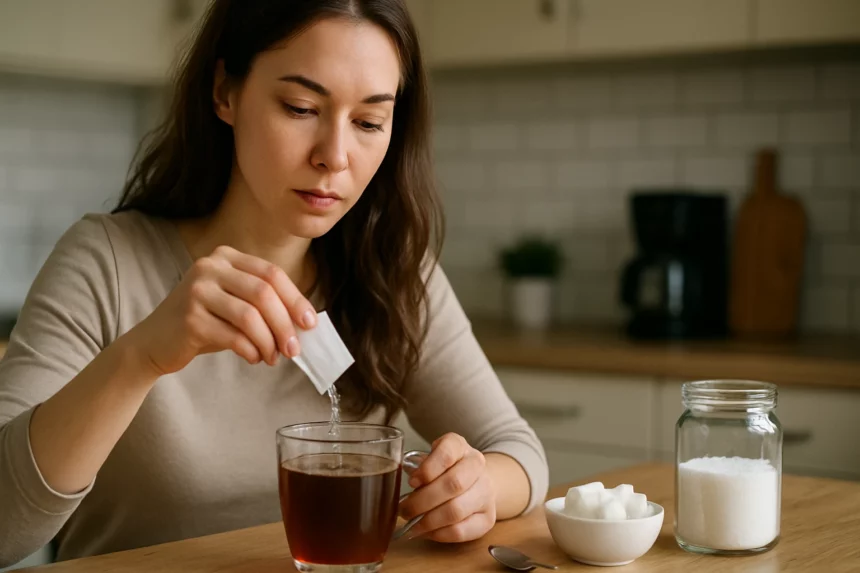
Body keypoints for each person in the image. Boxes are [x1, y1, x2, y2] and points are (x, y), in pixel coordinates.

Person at [0, 0, 548, 566]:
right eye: (301, 106)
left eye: (368, 122)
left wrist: (477, 486)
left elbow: (519, 452)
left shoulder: (394, 273)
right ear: (225, 92)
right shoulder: (106, 263)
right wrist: (141, 357)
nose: (334, 157)